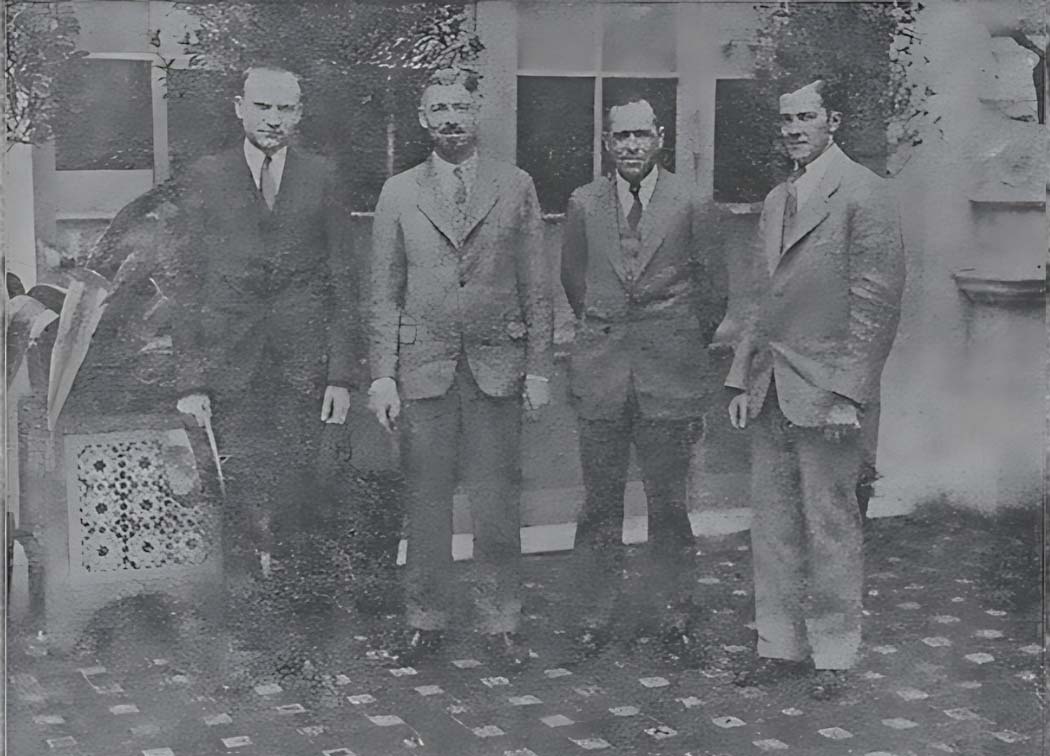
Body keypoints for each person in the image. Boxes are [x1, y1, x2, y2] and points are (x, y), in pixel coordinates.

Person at [725, 78, 906, 699]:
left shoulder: (865, 195)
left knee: (830, 524)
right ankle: (778, 646)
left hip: (829, 393)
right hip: (772, 385)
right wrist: (742, 379)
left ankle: (833, 653)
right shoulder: (779, 198)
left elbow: (876, 305)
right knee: (771, 523)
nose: (794, 129)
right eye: (786, 120)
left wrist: (848, 394)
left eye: (806, 117)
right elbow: (759, 297)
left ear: (833, 120)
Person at [367, 68, 552, 669]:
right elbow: (383, 291)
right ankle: (426, 620)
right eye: (438, 108)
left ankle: (502, 621)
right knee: (425, 508)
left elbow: (536, 286)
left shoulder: (515, 185)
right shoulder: (398, 192)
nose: (450, 118)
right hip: (424, 372)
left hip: (497, 367)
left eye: (460, 108)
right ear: (423, 119)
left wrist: (540, 368)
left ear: (478, 115)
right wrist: (383, 374)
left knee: (497, 507)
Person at [169, 62, 356, 650]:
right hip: (232, 369)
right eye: (263, 108)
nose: (274, 120)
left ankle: (302, 630)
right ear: (239, 108)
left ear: (300, 114)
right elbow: (186, 280)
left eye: (286, 109)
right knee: (240, 498)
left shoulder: (323, 177)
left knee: (304, 498)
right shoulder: (205, 177)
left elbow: (343, 282)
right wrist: (192, 379)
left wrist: (340, 374)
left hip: (304, 369)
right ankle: (247, 632)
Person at [559, 95, 726, 664]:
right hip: (602, 375)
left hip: (669, 376)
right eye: (620, 137)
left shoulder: (692, 202)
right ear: (607, 143)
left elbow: (713, 294)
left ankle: (674, 614)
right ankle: (593, 614)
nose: (631, 146)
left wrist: (673, 342)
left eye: (641, 135)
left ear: (660, 138)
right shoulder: (584, 203)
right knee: (599, 505)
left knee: (669, 506)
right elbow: (575, 284)